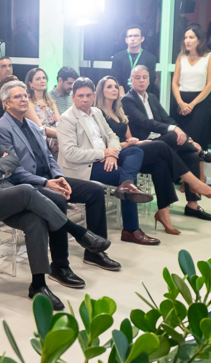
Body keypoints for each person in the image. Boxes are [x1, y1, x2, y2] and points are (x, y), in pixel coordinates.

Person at [0, 94, 113, 311]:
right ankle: (78, 232)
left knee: (35, 219)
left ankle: (39, 284)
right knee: (26, 190)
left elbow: (12, 161)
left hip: (3, 193)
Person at [0, 81, 123, 271]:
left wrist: (59, 177)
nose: (23, 100)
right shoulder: (1, 128)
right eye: (17, 97)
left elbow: (49, 157)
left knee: (94, 190)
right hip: (26, 184)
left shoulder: (33, 125)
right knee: (58, 200)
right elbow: (14, 170)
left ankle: (95, 253)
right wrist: (47, 182)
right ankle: (60, 266)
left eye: (25, 96)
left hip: (50, 177)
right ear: (7, 103)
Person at [97, 76, 211, 235]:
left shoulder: (119, 112)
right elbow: (104, 144)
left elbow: (129, 137)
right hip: (117, 155)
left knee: (160, 163)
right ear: (101, 91)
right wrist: (128, 144)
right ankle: (195, 184)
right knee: (163, 145)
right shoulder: (98, 113)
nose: (114, 89)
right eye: (109, 87)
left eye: (115, 86)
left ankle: (164, 213)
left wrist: (135, 141)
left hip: (132, 151)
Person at [56, 78, 158, 246]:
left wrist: (112, 155)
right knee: (123, 176)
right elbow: (70, 154)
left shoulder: (96, 112)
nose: (85, 99)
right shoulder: (67, 119)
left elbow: (112, 136)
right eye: (80, 96)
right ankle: (131, 230)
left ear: (94, 95)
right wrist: (103, 153)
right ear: (73, 97)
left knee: (135, 150)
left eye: (88, 95)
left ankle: (127, 184)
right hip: (83, 167)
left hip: (106, 157)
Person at [123, 65, 211, 222]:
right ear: (131, 80)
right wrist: (174, 130)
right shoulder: (127, 100)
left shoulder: (152, 98)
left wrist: (189, 139)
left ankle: (192, 205)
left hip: (160, 142)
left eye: (144, 77)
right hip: (142, 146)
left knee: (191, 156)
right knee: (171, 135)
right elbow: (145, 122)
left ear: (149, 80)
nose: (141, 80)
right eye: (137, 77)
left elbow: (168, 120)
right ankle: (200, 156)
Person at [171, 24, 211, 153]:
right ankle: (181, 171)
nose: (187, 40)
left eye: (191, 37)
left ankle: (199, 172)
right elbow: (175, 83)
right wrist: (181, 103)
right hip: (181, 101)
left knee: (196, 139)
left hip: (199, 102)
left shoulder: (210, 57)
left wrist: (191, 105)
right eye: (186, 37)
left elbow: (210, 84)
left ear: (199, 40)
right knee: (180, 139)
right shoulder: (181, 58)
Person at [111, 25, 158, 95]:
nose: (132, 39)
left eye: (136, 36)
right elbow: (116, 78)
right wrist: (123, 97)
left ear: (142, 39)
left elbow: (150, 80)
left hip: (142, 96)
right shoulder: (118, 57)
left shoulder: (150, 58)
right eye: (130, 36)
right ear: (126, 40)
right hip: (122, 96)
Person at [24, 67, 61, 155]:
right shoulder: (28, 103)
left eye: (44, 78)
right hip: (41, 143)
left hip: (58, 140)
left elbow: (60, 123)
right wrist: (62, 134)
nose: (42, 81)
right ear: (30, 84)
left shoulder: (50, 102)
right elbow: (40, 129)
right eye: (38, 79)